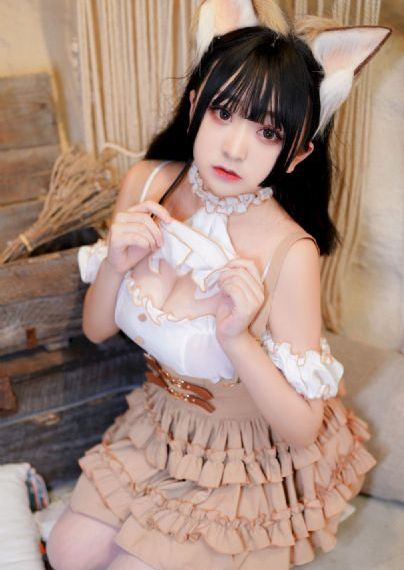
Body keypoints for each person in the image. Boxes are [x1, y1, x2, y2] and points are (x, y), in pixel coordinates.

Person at [47, 3, 390, 569]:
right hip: (161, 426)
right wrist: (115, 264)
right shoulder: (147, 184)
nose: (235, 148)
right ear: (194, 106)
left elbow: (304, 428)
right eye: (224, 112)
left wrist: (238, 339)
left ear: (298, 152)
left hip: (245, 458)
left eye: (267, 131)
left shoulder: (290, 252)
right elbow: (97, 330)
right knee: (66, 553)